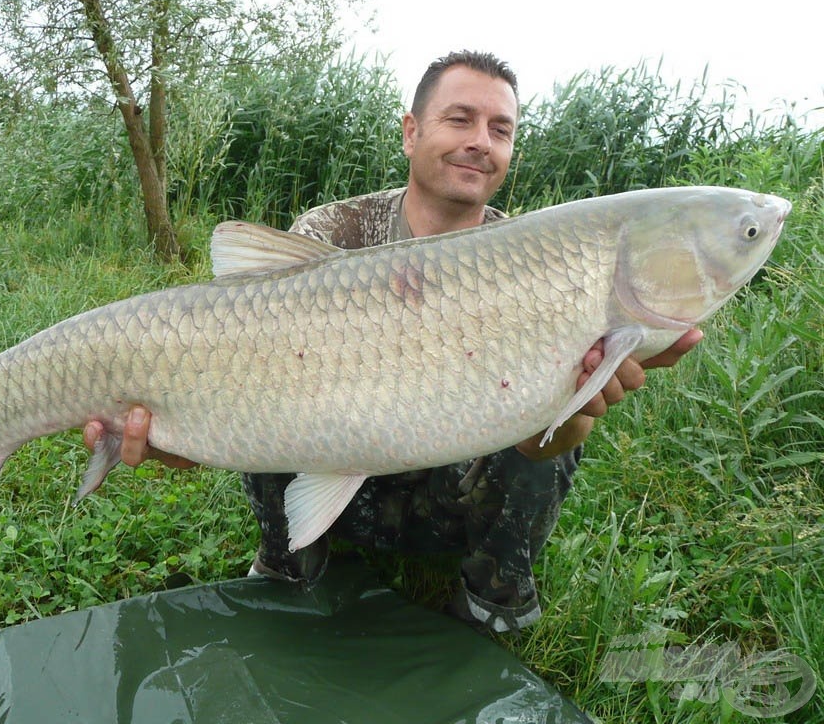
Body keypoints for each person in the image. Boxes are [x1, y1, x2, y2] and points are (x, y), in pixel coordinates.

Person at [83, 51, 701, 633]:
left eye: (500, 129)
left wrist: (574, 408)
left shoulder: (539, 260)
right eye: (460, 119)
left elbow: (551, 445)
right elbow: (242, 396)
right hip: (336, 465)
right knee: (275, 366)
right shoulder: (333, 232)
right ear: (410, 132)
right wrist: (178, 435)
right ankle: (288, 562)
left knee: (557, 398)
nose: (480, 142)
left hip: (454, 492)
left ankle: (494, 593)